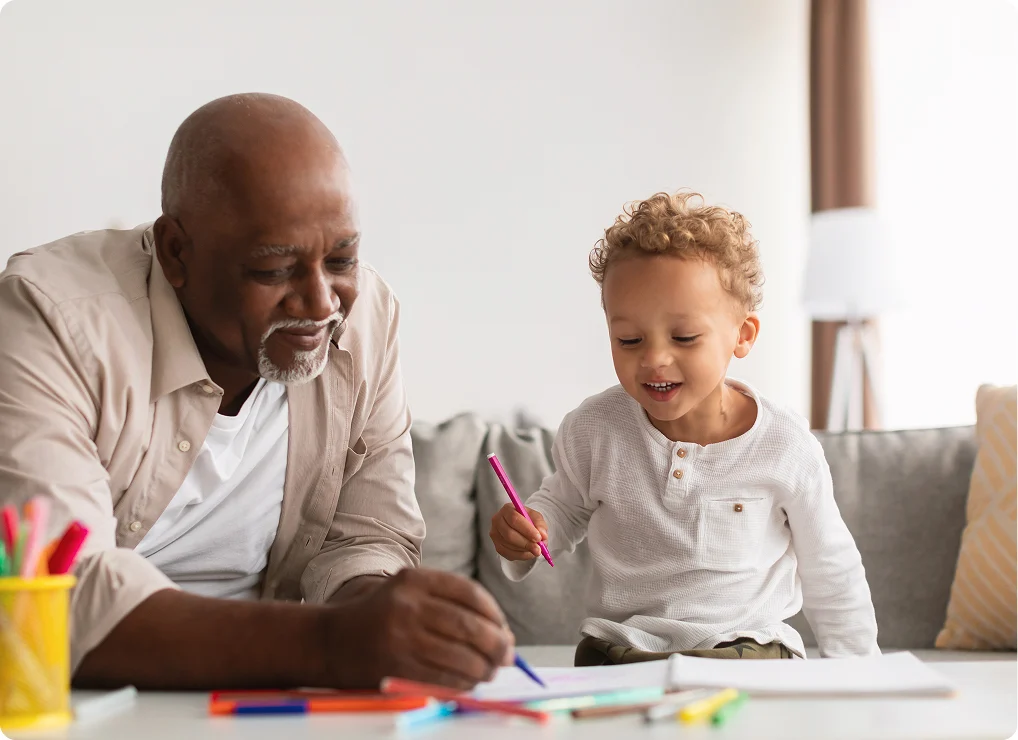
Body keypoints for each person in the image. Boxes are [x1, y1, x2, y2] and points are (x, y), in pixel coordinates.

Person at [0, 93, 513, 690]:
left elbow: (368, 536)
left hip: (263, 700)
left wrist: (388, 617)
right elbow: (58, 596)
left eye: (342, 258)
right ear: (175, 252)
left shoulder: (366, 315)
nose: (323, 304)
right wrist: (335, 643)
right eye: (274, 270)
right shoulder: (50, 315)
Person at [489, 191, 879, 665]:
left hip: (746, 649)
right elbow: (561, 509)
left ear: (743, 335)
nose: (654, 358)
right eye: (628, 339)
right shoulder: (593, 429)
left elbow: (831, 571)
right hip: (621, 650)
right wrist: (530, 530)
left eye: (684, 337)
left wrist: (860, 675)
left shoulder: (785, 444)